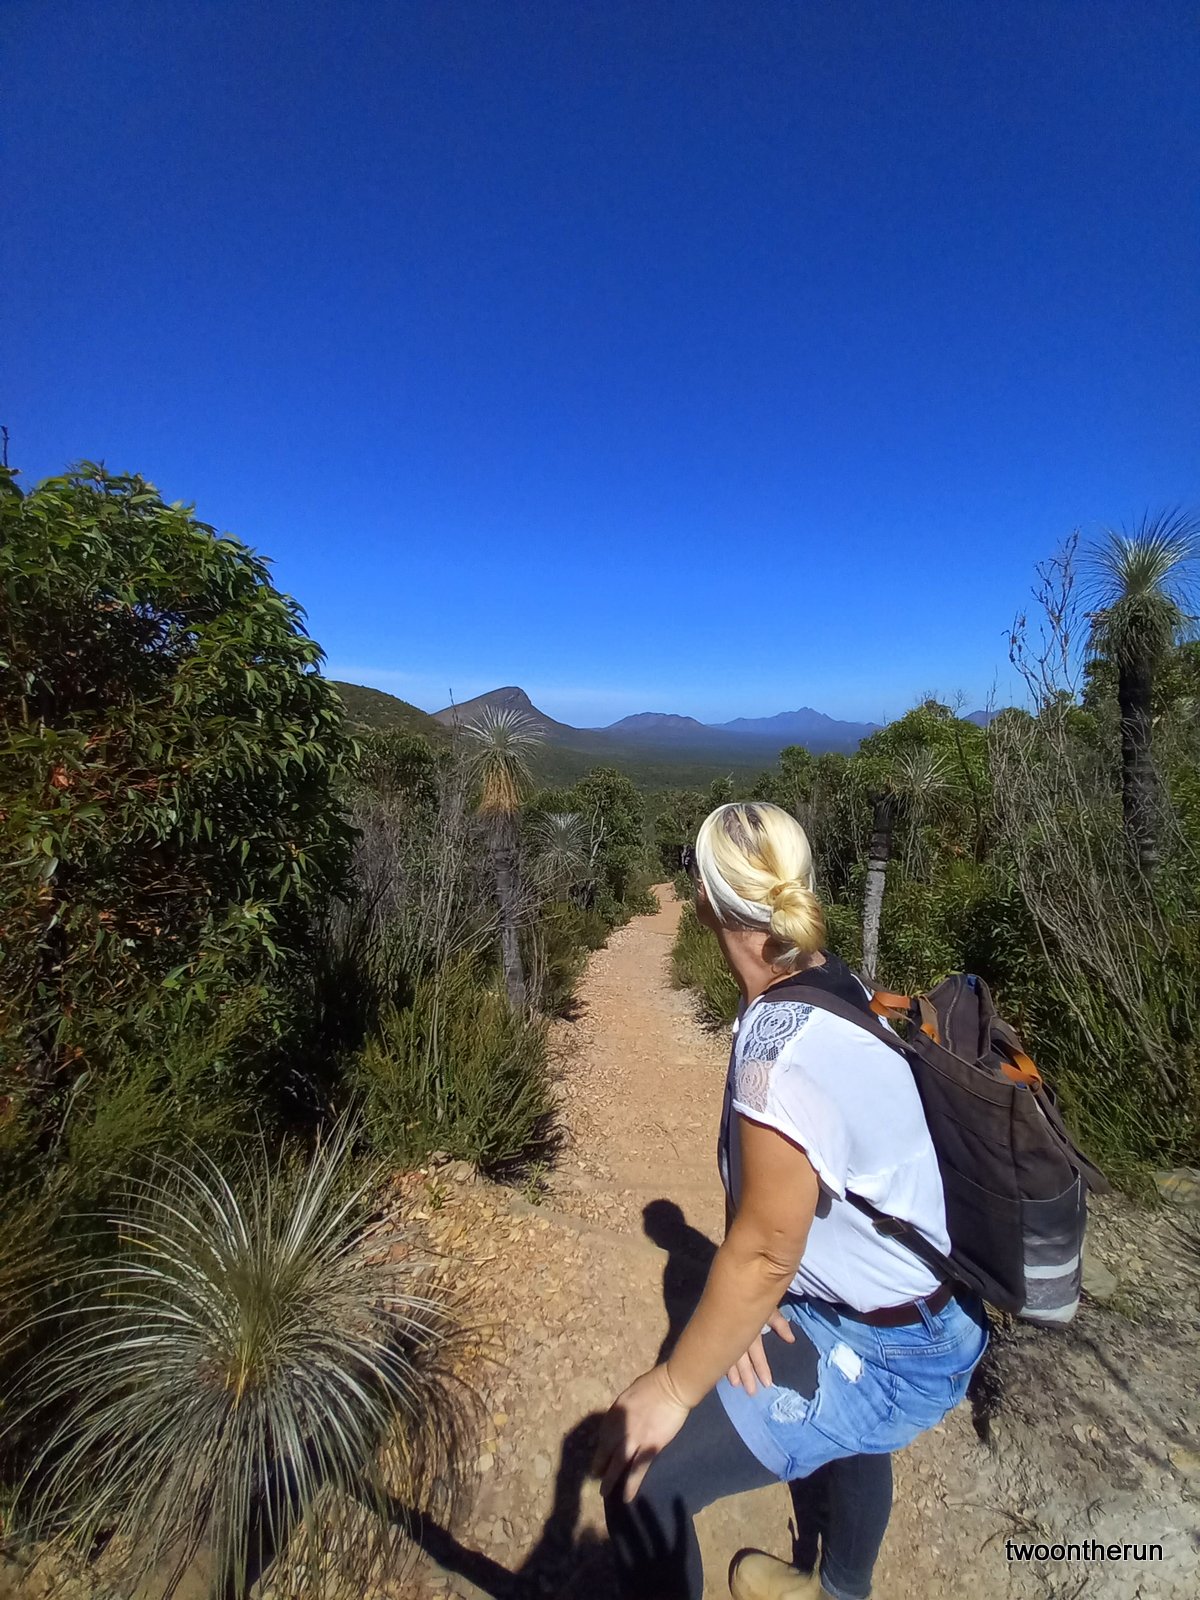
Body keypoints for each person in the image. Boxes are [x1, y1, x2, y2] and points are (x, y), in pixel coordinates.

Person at [593, 801, 989, 1600]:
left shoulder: (777, 1054)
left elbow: (768, 1250)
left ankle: (840, 1589)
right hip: (916, 1305)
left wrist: (672, 1387)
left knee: (645, 1483)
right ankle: (840, 1587)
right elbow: (788, 1232)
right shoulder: (829, 981)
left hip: (894, 1348)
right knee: (850, 1434)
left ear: (704, 900)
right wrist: (746, 1303)